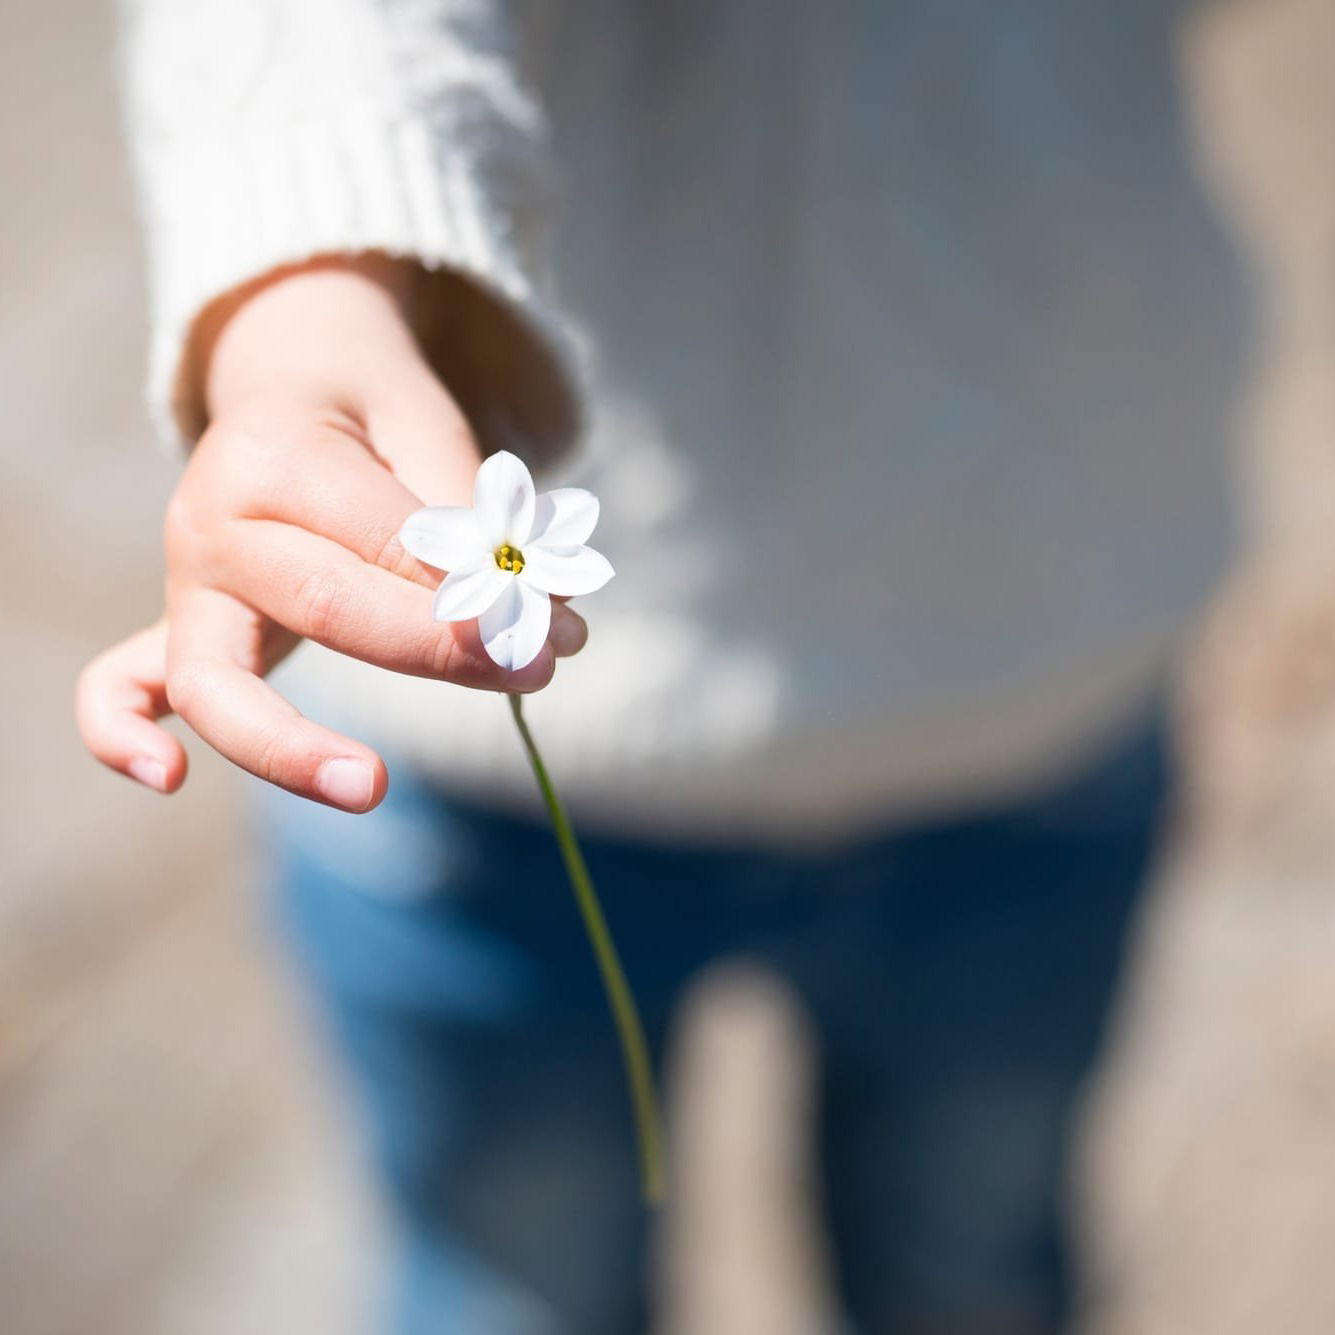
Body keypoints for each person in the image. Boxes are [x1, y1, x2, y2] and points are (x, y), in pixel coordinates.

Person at [76, 2, 1248, 1331]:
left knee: (972, 1271)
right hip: (483, 810)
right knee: (519, 1287)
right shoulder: (503, 570)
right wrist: (304, 296)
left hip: (1033, 690)